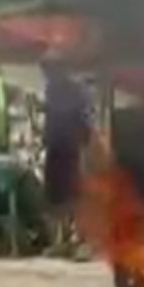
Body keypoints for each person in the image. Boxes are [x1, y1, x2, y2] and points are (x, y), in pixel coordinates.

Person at [42, 51, 89, 246]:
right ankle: (59, 239)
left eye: (51, 70)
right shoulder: (50, 89)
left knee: (71, 194)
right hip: (54, 145)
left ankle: (74, 237)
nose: (48, 74)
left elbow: (83, 117)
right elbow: (50, 116)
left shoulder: (76, 90)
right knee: (54, 195)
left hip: (70, 146)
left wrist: (84, 140)